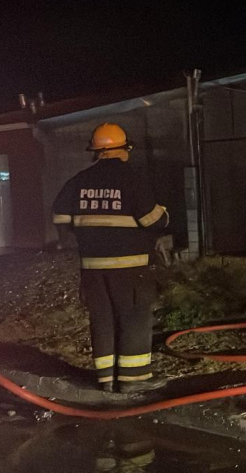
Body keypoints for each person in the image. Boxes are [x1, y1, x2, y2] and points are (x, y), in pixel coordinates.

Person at [52, 123, 169, 394]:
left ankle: (105, 379)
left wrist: (83, 236)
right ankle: (133, 379)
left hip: (92, 268)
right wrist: (165, 214)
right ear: (123, 149)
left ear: (97, 151)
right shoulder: (132, 179)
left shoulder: (79, 181)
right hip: (130, 267)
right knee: (134, 317)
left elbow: (60, 217)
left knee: (102, 320)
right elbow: (152, 220)